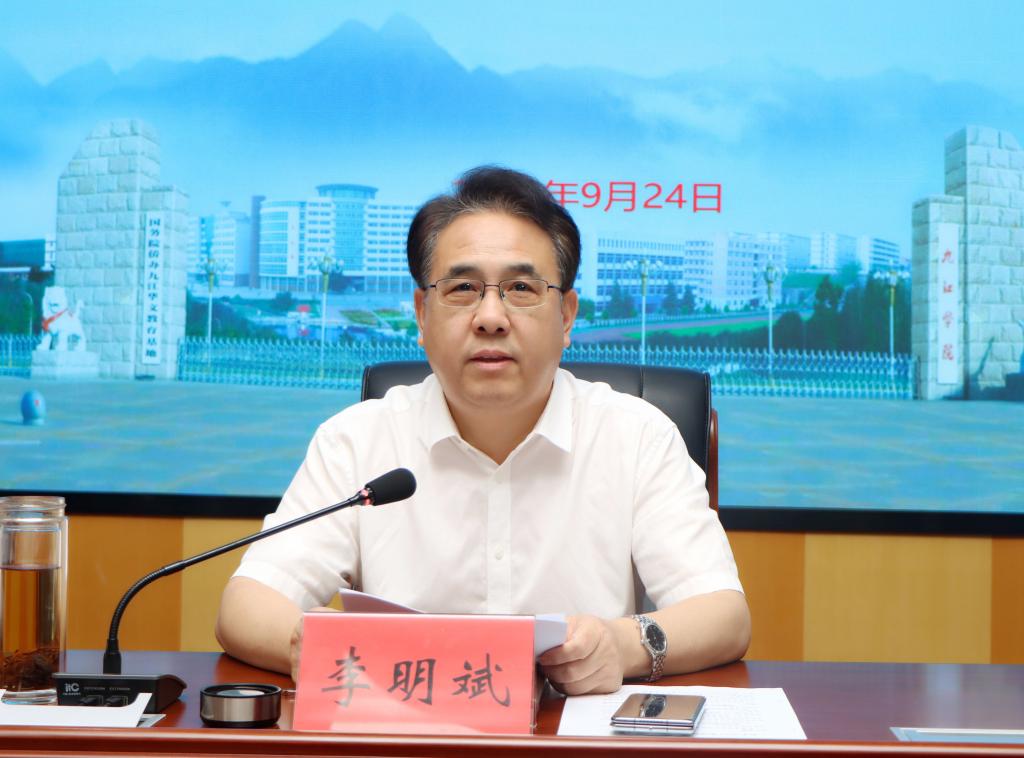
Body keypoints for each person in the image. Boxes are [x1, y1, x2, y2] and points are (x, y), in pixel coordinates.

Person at [216, 166, 750, 695]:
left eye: (521, 288)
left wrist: (621, 645)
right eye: (464, 288)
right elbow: (246, 605)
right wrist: (309, 643)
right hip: (406, 733)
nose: (490, 316)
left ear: (566, 316)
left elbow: (723, 615)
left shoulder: (636, 436)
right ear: (422, 314)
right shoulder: (357, 440)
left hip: (575, 735)